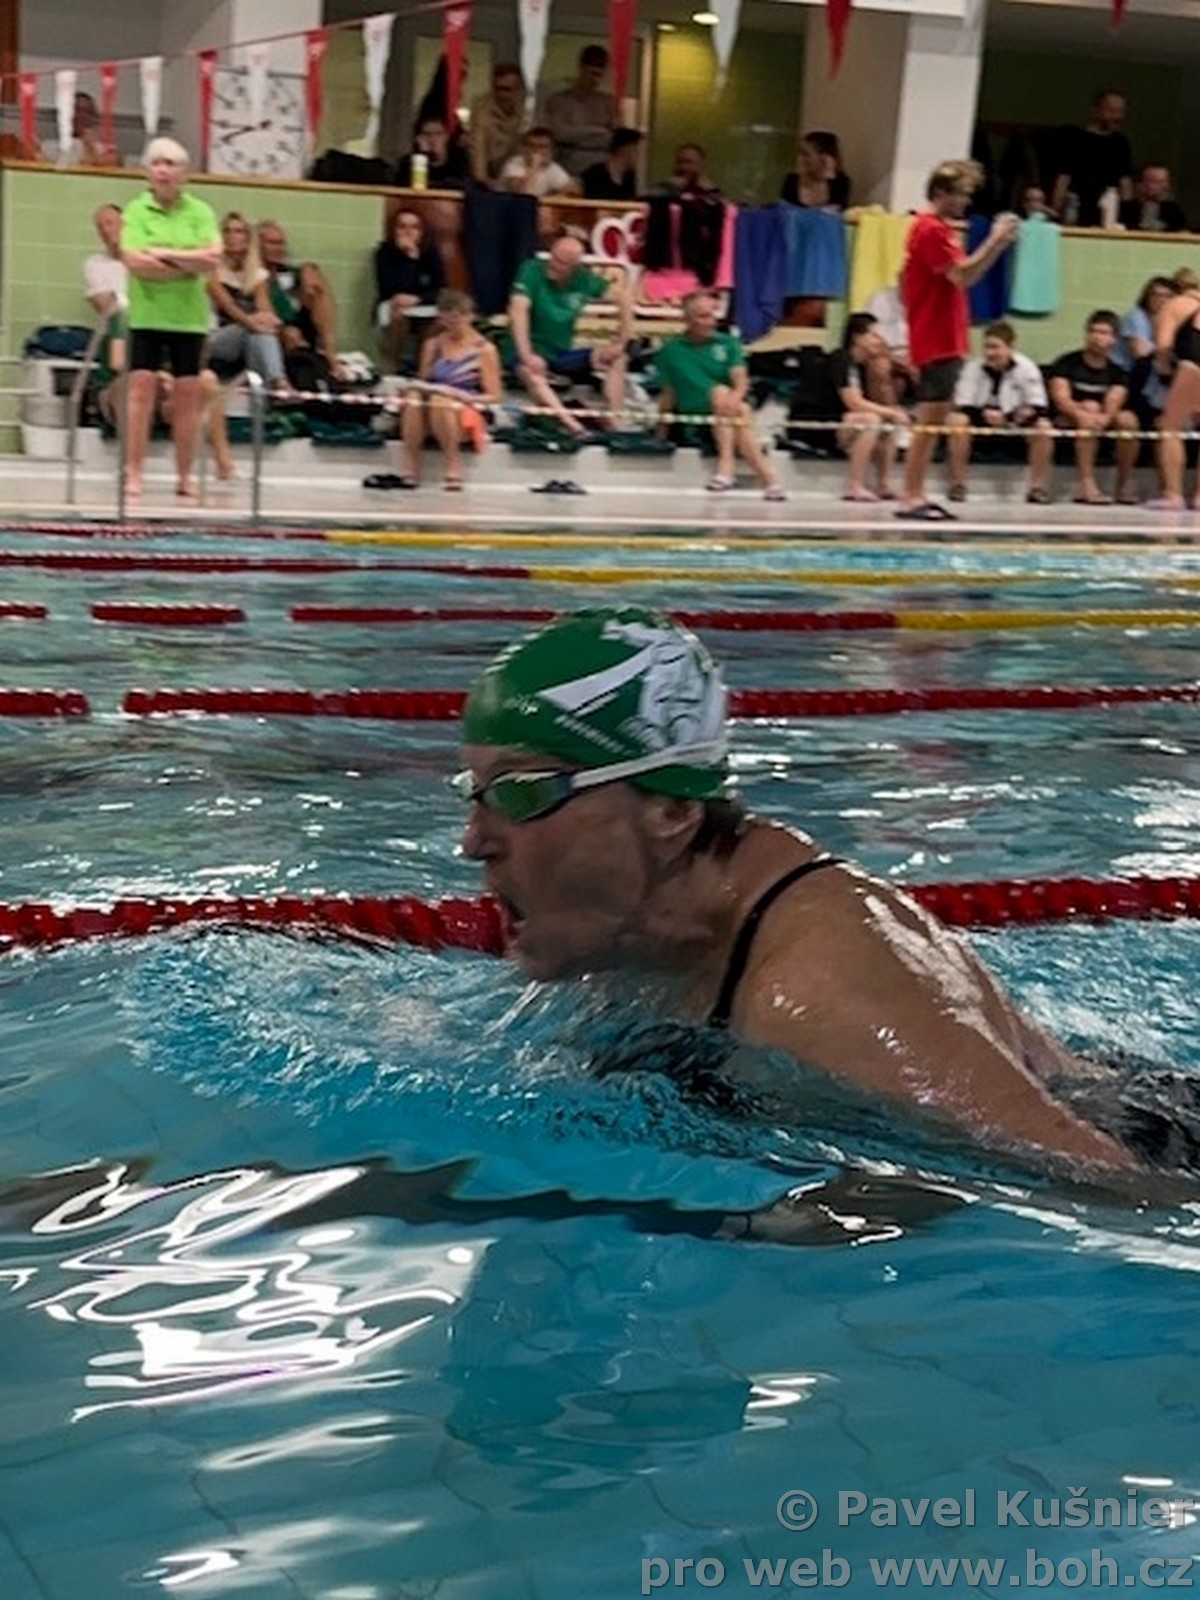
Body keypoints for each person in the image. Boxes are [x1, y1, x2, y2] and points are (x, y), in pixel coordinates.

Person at [454, 606, 1139, 1179]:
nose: (474, 840)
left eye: (522, 792)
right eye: (476, 793)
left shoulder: (817, 990)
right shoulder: (626, 942)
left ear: (670, 810)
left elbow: (1113, 1188)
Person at [895, 159, 1018, 522]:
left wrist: (997, 245)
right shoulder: (931, 230)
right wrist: (995, 240)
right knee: (929, 422)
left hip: (942, 334)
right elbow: (963, 276)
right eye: (961, 194)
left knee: (932, 421)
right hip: (937, 337)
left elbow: (956, 277)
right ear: (940, 193)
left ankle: (915, 492)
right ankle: (910, 495)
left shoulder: (938, 231)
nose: (966, 201)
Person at [118, 138, 222, 500]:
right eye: (157, 163)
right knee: (140, 392)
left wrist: (162, 253)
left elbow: (212, 260)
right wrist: (187, 264)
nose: (164, 171)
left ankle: (185, 475)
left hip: (188, 319)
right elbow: (135, 262)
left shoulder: (200, 211)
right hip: (147, 315)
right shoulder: (136, 210)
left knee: (188, 397)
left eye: (171, 164)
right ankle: (133, 472)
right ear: (148, 171)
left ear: (184, 173)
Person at [366, 288, 501, 493]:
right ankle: (410, 464)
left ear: (470, 317)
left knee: (441, 400)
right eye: (448, 318)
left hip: (465, 405)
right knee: (415, 398)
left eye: (459, 318)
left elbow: (494, 396)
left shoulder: (484, 349)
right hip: (432, 402)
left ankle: (452, 462)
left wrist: (462, 396)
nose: (454, 323)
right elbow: (424, 381)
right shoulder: (433, 344)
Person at [655, 290, 786, 501]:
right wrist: (661, 430)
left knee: (734, 403)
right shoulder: (670, 350)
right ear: (687, 319)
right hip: (697, 413)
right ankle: (768, 479)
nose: (711, 321)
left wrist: (734, 398)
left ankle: (728, 469)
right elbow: (668, 393)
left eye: (713, 314)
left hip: (726, 410)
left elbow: (740, 382)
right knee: (727, 398)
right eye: (703, 316)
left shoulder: (728, 344)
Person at [506, 231, 631, 437]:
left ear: (575, 267)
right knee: (533, 372)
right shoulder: (532, 270)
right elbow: (518, 310)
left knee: (619, 358)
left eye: (562, 263)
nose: (553, 265)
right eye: (553, 258)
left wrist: (621, 340)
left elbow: (624, 299)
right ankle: (574, 426)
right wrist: (527, 354)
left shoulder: (584, 279)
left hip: (561, 352)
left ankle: (614, 421)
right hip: (529, 348)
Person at [946, 320, 1054, 505]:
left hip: (1015, 424)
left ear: (1011, 348)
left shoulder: (1027, 368)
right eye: (987, 347)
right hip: (979, 422)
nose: (990, 353)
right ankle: (958, 485)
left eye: (996, 347)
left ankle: (1036, 488)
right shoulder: (973, 368)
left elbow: (1039, 405)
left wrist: (1010, 417)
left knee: (1044, 427)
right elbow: (963, 403)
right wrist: (984, 415)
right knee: (956, 421)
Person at [1047, 310, 1139, 506]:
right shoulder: (1067, 363)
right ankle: (1086, 483)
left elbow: (1115, 400)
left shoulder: (1117, 372)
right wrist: (1080, 413)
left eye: (1103, 333)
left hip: (1100, 419)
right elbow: (1061, 398)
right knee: (1089, 409)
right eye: (1093, 331)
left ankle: (1123, 483)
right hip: (1070, 417)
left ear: (1113, 339)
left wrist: (1105, 417)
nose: (1097, 337)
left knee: (1128, 421)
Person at [207, 211, 290, 397]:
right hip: (215, 338)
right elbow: (228, 306)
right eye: (227, 231)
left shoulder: (256, 274)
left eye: (238, 231)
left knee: (259, 337)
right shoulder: (211, 269)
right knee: (254, 331)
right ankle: (280, 381)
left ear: (247, 238)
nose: (231, 236)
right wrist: (254, 323)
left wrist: (267, 321)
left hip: (247, 336)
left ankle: (268, 391)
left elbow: (266, 310)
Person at [256, 220, 343, 384]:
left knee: (314, 278)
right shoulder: (253, 276)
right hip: (272, 332)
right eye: (272, 243)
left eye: (282, 243)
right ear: (257, 246)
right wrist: (282, 329)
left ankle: (331, 357)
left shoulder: (289, 274)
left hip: (302, 327)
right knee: (289, 333)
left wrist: (308, 270)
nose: (279, 248)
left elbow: (310, 279)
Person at [830, 312, 906, 502]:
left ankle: (883, 484)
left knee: (887, 423)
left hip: (848, 422)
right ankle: (853, 485)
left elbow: (884, 404)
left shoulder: (865, 366)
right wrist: (892, 412)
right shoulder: (841, 358)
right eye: (874, 335)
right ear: (857, 337)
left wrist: (882, 378)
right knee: (871, 420)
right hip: (822, 422)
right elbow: (854, 402)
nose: (879, 342)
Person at [1144, 275, 1200, 512]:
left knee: (1170, 428)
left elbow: (1163, 345)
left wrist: (1166, 372)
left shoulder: (1175, 305)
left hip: (1193, 364)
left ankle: (1173, 494)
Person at [373, 207, 446, 373]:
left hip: (423, 303)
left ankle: (423, 367)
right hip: (394, 304)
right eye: (402, 227)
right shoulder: (384, 253)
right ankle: (392, 366)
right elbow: (388, 288)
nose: (408, 232)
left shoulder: (431, 253)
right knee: (398, 314)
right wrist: (409, 260)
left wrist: (418, 299)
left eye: (414, 227)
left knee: (439, 320)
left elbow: (441, 288)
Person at [1051, 89, 1134, 228]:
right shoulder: (1076, 139)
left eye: (1120, 111)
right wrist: (1056, 211)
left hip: (1109, 213)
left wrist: (1128, 214)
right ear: (1096, 111)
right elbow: (1063, 179)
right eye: (1111, 111)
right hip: (1078, 210)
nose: (1117, 116)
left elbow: (1125, 182)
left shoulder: (1120, 143)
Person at [542, 44, 615, 180]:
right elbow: (560, 134)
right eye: (592, 74)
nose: (595, 80)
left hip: (600, 172)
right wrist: (598, 130)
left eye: (600, 75)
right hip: (567, 169)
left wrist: (577, 135)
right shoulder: (559, 101)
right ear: (581, 68)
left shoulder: (607, 103)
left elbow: (613, 139)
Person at [468, 62, 528, 186]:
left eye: (507, 90)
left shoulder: (527, 110)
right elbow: (478, 147)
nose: (501, 94)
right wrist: (482, 179)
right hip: (490, 169)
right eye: (497, 88)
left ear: (519, 90)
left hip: (519, 172)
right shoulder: (482, 110)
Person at [32, 89, 121, 168]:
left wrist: (89, 145)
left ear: (93, 117)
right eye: (75, 110)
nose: (80, 116)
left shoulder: (106, 150)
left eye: (86, 112)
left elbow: (105, 165)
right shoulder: (48, 147)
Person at [500, 126, 579, 198]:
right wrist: (534, 166)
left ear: (551, 150)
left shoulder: (553, 168)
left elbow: (573, 191)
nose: (536, 150)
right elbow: (519, 192)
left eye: (542, 147)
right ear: (524, 148)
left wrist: (554, 195)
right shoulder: (514, 163)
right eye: (531, 146)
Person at [394, 115, 470, 189]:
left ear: (446, 137)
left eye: (438, 134)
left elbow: (464, 185)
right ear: (418, 138)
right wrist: (422, 156)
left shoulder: (458, 161)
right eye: (427, 134)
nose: (433, 139)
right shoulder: (408, 163)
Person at [780, 131, 849, 210]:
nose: (800, 158)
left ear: (823, 158)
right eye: (799, 153)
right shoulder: (791, 181)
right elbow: (784, 211)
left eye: (805, 154)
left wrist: (826, 174)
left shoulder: (840, 183)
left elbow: (835, 212)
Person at [1118, 164, 1187, 234]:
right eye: (1155, 182)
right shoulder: (1126, 209)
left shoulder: (1173, 210)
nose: (1163, 186)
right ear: (1140, 184)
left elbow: (1183, 231)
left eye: (1164, 181)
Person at [581, 127, 642, 201]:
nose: (639, 156)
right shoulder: (594, 174)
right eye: (637, 151)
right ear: (626, 150)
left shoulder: (630, 177)